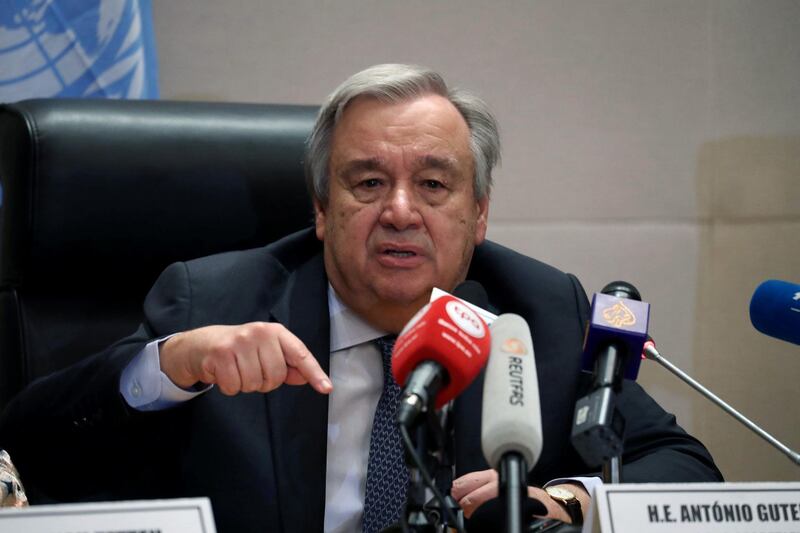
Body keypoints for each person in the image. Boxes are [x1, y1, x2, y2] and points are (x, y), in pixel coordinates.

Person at [0, 64, 721, 533]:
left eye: (434, 185)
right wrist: (170, 365)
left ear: (479, 214)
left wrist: (569, 500)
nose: (401, 211)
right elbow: (28, 449)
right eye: (368, 183)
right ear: (320, 209)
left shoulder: (538, 311)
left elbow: (683, 468)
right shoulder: (214, 302)